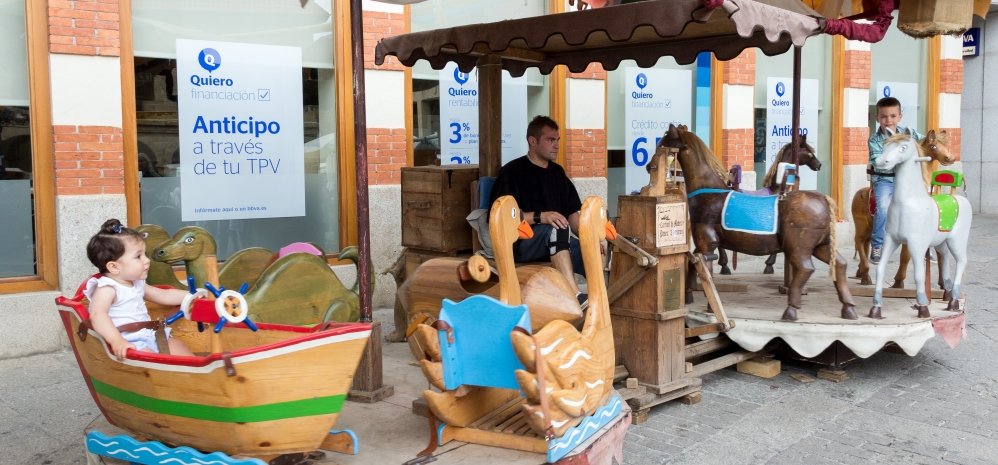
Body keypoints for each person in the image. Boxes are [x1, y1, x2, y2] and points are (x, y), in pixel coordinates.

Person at [489, 115, 588, 308]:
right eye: (550, 140)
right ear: (532, 141)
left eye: (557, 140)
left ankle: (601, 301)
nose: (556, 145)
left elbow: (572, 214)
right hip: (522, 243)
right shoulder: (512, 172)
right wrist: (541, 216)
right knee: (556, 229)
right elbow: (502, 217)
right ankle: (574, 295)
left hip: (560, 245)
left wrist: (589, 236)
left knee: (593, 246)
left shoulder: (558, 173)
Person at [84, 219, 199, 358]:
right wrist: (117, 341)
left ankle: (196, 376)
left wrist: (193, 295)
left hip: (152, 335)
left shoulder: (137, 283)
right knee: (149, 360)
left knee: (179, 348)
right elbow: (98, 315)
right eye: (138, 256)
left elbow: (163, 295)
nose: (147, 260)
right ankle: (164, 377)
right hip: (128, 341)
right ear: (114, 267)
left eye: (145, 254)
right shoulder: (108, 288)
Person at [868, 96, 922, 264]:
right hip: (885, 180)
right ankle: (877, 245)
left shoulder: (909, 133)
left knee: (923, 206)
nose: (888, 120)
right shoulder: (875, 140)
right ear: (877, 118)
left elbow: (923, 143)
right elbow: (879, 162)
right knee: (884, 207)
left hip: (906, 180)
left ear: (900, 116)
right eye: (883, 116)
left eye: (892, 116)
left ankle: (924, 243)